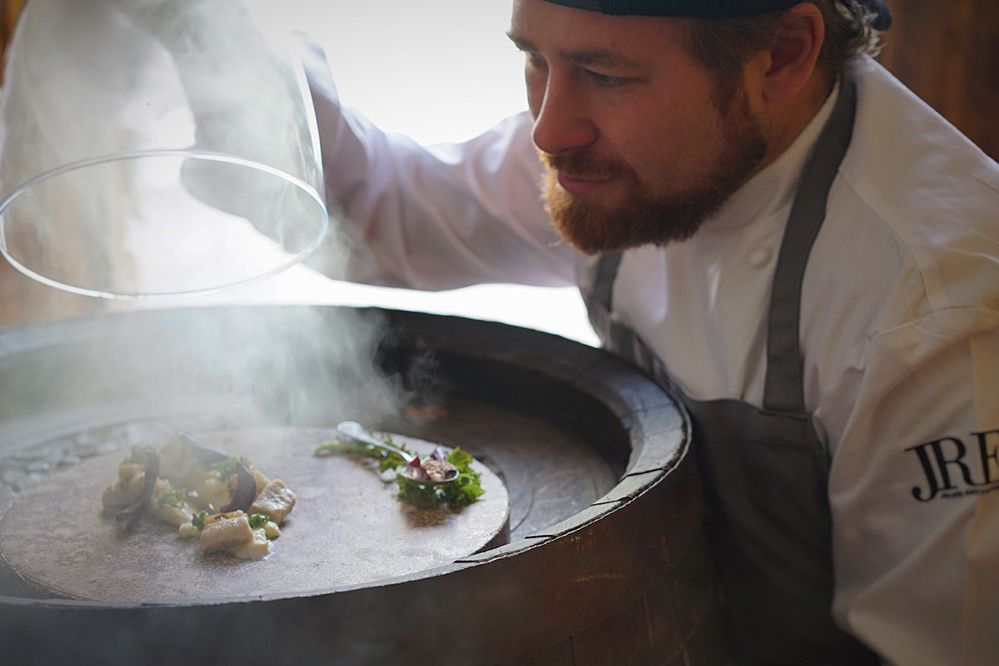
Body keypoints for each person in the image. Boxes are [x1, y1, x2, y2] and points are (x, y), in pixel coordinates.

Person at [300, 1, 999, 663]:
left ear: (782, 55)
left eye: (604, 76)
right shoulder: (625, 155)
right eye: (534, 58)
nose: (548, 131)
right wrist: (236, 57)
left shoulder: (935, 314)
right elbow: (385, 214)